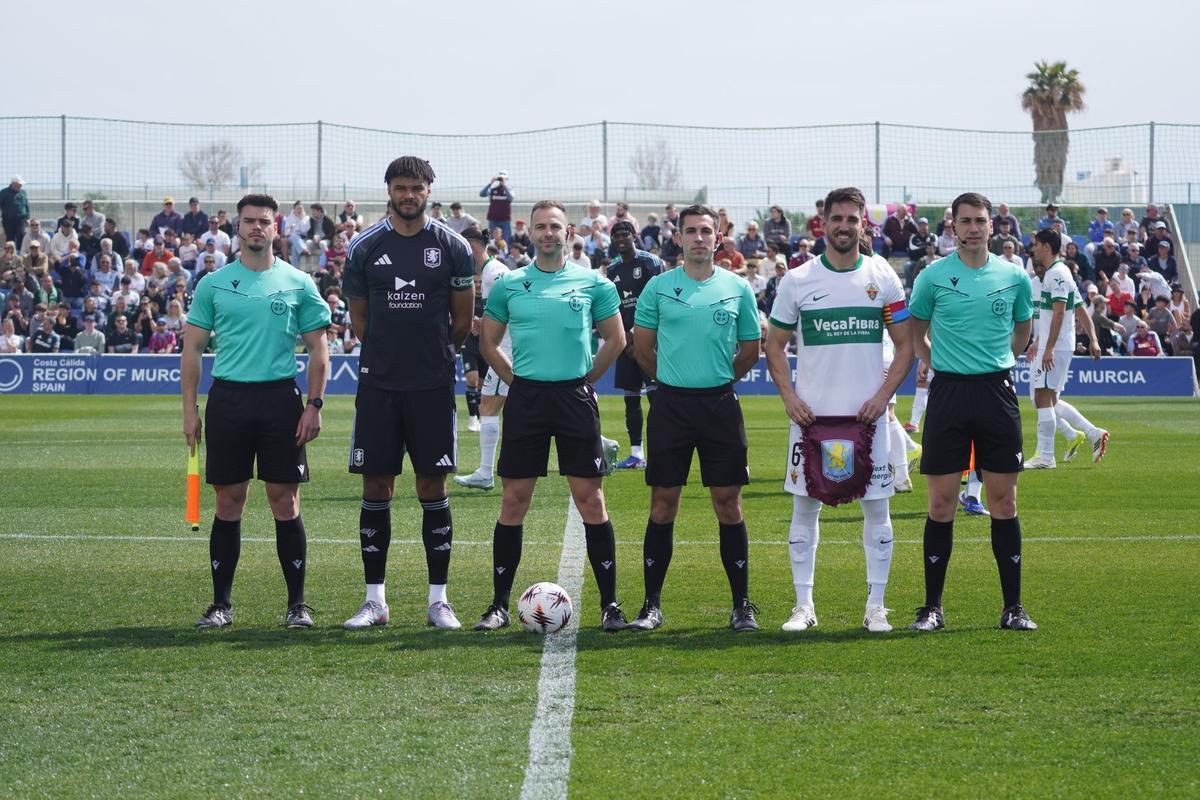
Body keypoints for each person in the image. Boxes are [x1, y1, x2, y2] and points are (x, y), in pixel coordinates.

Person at [764, 187, 914, 634]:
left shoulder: (882, 276)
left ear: (863, 223)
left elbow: (906, 346)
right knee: (803, 511)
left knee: (878, 513)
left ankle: (876, 607)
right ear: (823, 223)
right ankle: (803, 607)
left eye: (852, 218)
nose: (844, 226)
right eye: (837, 218)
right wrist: (790, 398)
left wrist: (883, 397)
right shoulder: (797, 280)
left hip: (869, 421)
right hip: (812, 420)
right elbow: (774, 345)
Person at [474, 199, 628, 632]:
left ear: (568, 232)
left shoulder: (594, 283)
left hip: (574, 398)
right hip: (527, 400)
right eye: (540, 226)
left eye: (555, 226)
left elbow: (616, 339)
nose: (547, 233)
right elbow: (488, 343)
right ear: (531, 233)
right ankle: (499, 605)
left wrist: (586, 380)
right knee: (513, 500)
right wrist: (515, 380)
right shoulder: (509, 285)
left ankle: (610, 605)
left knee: (591, 500)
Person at [182, 193, 331, 630]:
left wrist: (314, 405)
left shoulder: (298, 282)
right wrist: (190, 410)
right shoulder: (213, 284)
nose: (256, 228)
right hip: (228, 400)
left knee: (285, 500)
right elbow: (192, 349)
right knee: (228, 501)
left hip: (280, 401)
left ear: (275, 227)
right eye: (248, 221)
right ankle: (221, 605)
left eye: (264, 221)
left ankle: (297, 605)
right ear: (237, 227)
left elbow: (319, 348)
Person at [341, 157, 474, 632]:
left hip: (431, 386)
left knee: (432, 487)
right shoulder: (364, 247)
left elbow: (462, 321)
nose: (409, 195)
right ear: (389, 191)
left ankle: (439, 601)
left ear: (429, 191)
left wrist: (431, 356)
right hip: (379, 384)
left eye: (417, 187)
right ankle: (374, 600)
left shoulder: (454, 247)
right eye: (401, 187)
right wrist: (388, 354)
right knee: (376, 486)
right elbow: (360, 320)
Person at [626, 204, 763, 632]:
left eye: (706, 231)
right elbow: (642, 349)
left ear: (718, 238)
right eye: (691, 231)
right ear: (678, 238)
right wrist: (672, 382)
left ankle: (741, 605)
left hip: (720, 406)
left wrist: (717, 380)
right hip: (671, 407)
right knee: (663, 503)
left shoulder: (738, 287)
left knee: (728, 503)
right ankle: (651, 605)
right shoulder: (658, 288)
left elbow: (750, 351)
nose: (699, 238)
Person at [908, 191, 1037, 633]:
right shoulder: (932, 276)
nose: (973, 228)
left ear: (992, 226)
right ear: (953, 227)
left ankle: (1013, 608)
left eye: (980, 220)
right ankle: (932, 608)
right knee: (941, 502)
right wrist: (938, 363)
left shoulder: (1014, 276)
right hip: (948, 394)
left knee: (1004, 501)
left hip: (996, 393)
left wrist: (999, 360)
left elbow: (1023, 329)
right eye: (965, 221)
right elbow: (917, 331)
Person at [1023, 229, 1109, 470]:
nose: (1034, 249)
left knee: (1041, 397)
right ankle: (1091, 433)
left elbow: (1060, 313)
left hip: (1056, 346)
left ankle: (1045, 456)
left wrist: (1048, 348)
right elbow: (1076, 309)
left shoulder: (1057, 273)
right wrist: (1093, 340)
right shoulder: (1057, 273)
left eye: (1036, 244)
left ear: (1046, 247)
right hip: (1055, 344)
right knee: (1049, 398)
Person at [455, 228, 511, 491]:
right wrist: (483, 324)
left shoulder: (494, 274)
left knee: (488, 407)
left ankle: (486, 473)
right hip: (508, 348)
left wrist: (488, 329)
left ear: (473, 248)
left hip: (508, 351)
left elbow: (509, 310)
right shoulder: (492, 271)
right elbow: (499, 312)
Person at [606, 220, 663, 471]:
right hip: (626, 344)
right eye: (616, 235)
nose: (620, 239)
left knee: (656, 397)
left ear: (634, 235)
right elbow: (614, 307)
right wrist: (623, 337)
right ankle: (636, 454)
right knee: (630, 399)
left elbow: (657, 301)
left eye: (624, 234)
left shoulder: (650, 263)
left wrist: (635, 335)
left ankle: (661, 451)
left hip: (649, 340)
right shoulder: (612, 269)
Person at [479, 171, 513, 244]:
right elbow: (482, 194)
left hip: (505, 220)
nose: (501, 180)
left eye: (503, 179)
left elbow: (510, 198)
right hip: (493, 219)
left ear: (507, 179)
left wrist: (504, 187)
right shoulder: (493, 189)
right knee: (491, 240)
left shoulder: (509, 189)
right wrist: (490, 183)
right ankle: (491, 251)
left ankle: (504, 251)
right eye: (500, 178)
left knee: (505, 240)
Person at [1, 176, 29, 249]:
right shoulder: (3, 193)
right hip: (8, 220)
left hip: (21, 219)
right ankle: (10, 252)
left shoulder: (23, 192)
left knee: (21, 235)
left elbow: (26, 205)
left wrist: (28, 217)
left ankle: (19, 251)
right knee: (10, 237)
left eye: (21, 185)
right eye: (19, 184)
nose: (20, 186)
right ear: (13, 184)